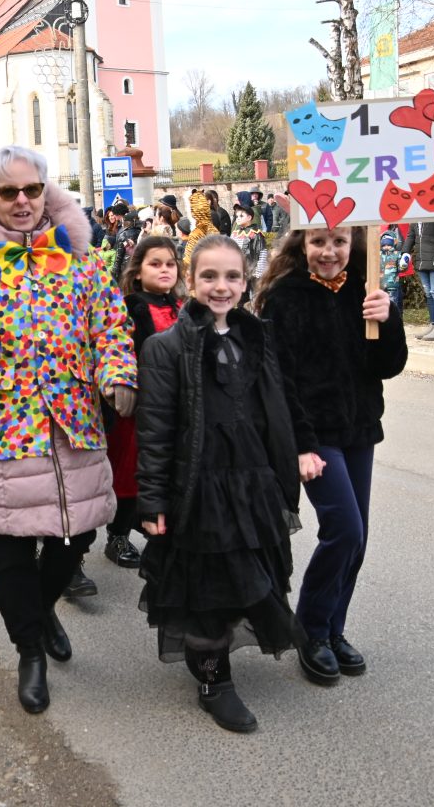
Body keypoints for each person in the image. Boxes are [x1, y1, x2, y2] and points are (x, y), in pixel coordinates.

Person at [0, 144, 137, 715]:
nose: (21, 202)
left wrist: (116, 373)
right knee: (11, 555)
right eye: (8, 192)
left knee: (78, 535)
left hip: (74, 426)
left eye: (31, 190)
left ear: (46, 192)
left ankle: (40, 614)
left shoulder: (78, 259)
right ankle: (30, 649)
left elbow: (110, 324)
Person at [138, 235, 306, 733]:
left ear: (246, 281)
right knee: (208, 588)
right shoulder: (165, 347)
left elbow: (280, 406)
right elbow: (156, 430)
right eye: (209, 276)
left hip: (253, 483)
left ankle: (212, 657)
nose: (221, 286)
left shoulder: (259, 337)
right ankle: (214, 678)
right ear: (191, 281)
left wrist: (297, 456)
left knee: (254, 578)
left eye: (232, 276)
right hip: (200, 488)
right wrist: (151, 499)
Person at [256, 226, 408, 688]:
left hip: (359, 427)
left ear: (352, 244)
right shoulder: (287, 298)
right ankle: (311, 630)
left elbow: (388, 366)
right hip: (315, 434)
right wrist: (301, 444)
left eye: (339, 242)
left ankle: (333, 630)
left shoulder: (367, 290)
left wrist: (389, 319)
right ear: (302, 245)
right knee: (343, 529)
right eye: (319, 242)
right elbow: (281, 380)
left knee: (357, 537)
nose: (329, 252)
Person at [103, 235, 185, 569]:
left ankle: (159, 529)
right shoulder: (130, 306)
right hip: (139, 411)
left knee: (167, 473)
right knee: (130, 475)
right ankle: (117, 534)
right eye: (155, 263)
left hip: (175, 410)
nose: (164, 270)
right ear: (138, 271)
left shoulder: (183, 307)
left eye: (170, 263)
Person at [402, 220, 434, 341]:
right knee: (428, 293)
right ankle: (433, 324)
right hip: (421, 260)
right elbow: (411, 235)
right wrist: (405, 253)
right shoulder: (417, 215)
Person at [230, 205, 268, 304]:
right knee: (240, 300)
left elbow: (262, 253)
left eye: (241, 216)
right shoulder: (235, 233)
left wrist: (259, 273)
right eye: (237, 216)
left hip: (252, 273)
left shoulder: (255, 234)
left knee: (254, 300)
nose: (238, 218)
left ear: (249, 217)